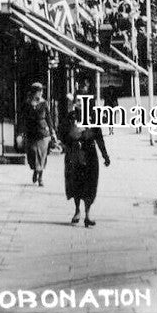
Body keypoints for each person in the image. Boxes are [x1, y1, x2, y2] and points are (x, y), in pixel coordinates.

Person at [60, 95, 110, 226]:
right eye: (78, 102)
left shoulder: (93, 117)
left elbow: (99, 137)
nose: (80, 104)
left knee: (90, 184)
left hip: (90, 155)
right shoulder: (70, 117)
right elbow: (63, 134)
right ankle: (77, 211)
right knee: (76, 183)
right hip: (74, 154)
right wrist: (72, 136)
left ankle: (88, 214)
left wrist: (105, 155)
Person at [24, 83, 55, 186]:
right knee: (32, 153)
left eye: (42, 91)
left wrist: (52, 131)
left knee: (42, 155)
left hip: (43, 133)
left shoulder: (44, 103)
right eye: (39, 91)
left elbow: (49, 118)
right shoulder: (28, 103)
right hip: (31, 132)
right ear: (34, 92)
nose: (41, 93)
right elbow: (23, 118)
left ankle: (40, 177)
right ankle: (35, 170)